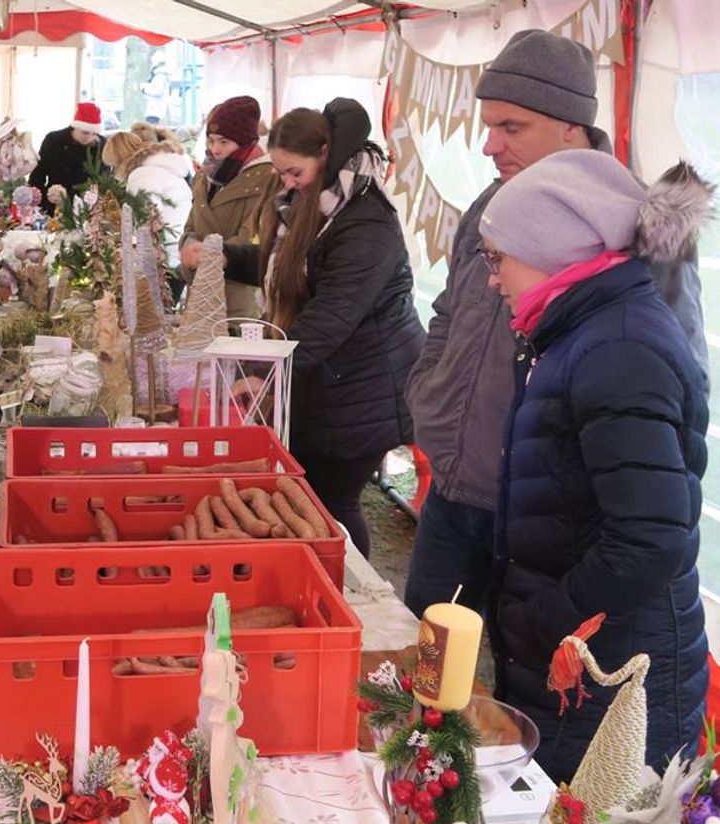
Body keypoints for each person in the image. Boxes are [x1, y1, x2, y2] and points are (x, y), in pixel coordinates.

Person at [403, 30, 709, 619]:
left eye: (511, 127)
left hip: (545, 510)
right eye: (488, 125)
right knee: (428, 656)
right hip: (454, 485)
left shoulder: (642, 229)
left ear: (572, 129)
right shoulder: (489, 205)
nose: (489, 145)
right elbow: (448, 311)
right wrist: (430, 399)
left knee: (523, 671)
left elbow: (680, 376)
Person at [480, 149, 712, 781]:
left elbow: (648, 538)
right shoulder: (584, 332)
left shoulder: (620, 348)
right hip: (585, 662)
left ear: (553, 250)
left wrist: (543, 622)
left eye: (498, 258)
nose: (492, 279)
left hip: (613, 672)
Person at [223, 100, 425, 558]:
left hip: (366, 388)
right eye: (281, 172)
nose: (287, 182)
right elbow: (297, 269)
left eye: (295, 171)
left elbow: (332, 312)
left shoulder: (364, 221)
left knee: (335, 501)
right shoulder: (316, 204)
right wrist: (229, 256)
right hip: (332, 381)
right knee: (314, 494)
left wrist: (266, 367)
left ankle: (351, 589)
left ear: (325, 154)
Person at [179, 96, 279, 319]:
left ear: (244, 142)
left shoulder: (266, 178)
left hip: (241, 298)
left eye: (224, 142)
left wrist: (209, 254)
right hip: (201, 294)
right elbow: (190, 227)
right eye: (211, 140)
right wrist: (189, 246)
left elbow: (253, 237)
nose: (215, 149)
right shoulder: (204, 177)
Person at [103, 130, 192, 268]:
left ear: (120, 160)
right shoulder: (155, 167)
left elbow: (147, 219)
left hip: (166, 255)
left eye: (113, 165)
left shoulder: (142, 175)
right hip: (179, 246)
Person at [29, 102, 106, 215]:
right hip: (55, 208)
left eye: (94, 134)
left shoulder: (101, 145)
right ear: (75, 127)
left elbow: (105, 179)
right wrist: (45, 200)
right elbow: (37, 176)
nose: (89, 137)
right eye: (85, 132)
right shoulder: (54, 141)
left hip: (89, 210)